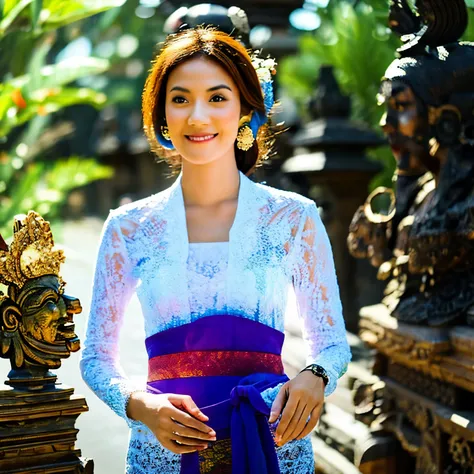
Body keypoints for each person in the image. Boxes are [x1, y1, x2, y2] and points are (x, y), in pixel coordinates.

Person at [81, 26, 351, 474]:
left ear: (246, 110)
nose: (198, 116)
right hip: (165, 448)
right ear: (162, 115)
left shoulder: (294, 218)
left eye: (218, 98)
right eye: (181, 99)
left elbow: (332, 345)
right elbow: (95, 358)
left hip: (272, 440)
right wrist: (139, 405)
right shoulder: (128, 228)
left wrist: (314, 376)